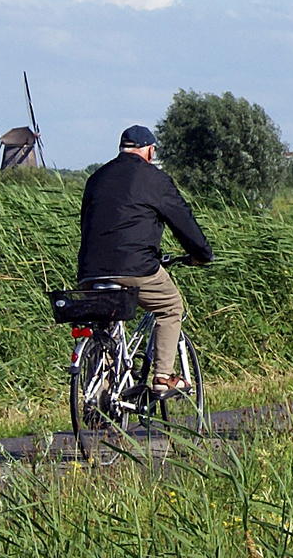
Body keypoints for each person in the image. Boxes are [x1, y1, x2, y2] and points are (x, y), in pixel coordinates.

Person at [78, 124, 213, 394]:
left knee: (104, 323)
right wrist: (202, 254)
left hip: (90, 270)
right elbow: (182, 221)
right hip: (135, 266)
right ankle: (163, 376)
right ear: (150, 151)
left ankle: (102, 393)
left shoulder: (96, 178)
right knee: (170, 306)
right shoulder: (155, 179)